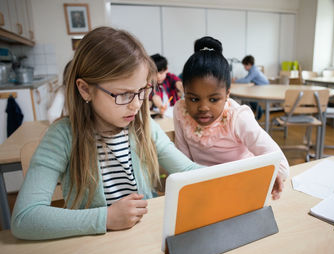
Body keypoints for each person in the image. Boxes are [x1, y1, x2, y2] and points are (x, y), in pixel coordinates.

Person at [11, 27, 200, 240]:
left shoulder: (144, 126)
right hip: (94, 247)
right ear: (85, 90)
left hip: (145, 238)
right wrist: (106, 217)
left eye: (141, 91)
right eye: (123, 95)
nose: (136, 105)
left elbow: (189, 171)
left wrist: (234, 177)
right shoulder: (62, 136)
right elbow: (24, 218)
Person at [173, 36, 289, 200]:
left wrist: (267, 173)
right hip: (204, 190)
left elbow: (282, 166)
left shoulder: (237, 117)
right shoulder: (180, 110)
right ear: (184, 92)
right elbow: (182, 161)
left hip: (241, 188)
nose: (203, 108)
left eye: (214, 99)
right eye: (193, 99)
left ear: (227, 94)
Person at [232, 55, 269, 120]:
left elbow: (246, 80)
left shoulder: (253, 70)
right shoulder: (252, 69)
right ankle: (256, 113)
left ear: (249, 64)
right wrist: (238, 80)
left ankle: (259, 113)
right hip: (260, 86)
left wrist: (235, 81)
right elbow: (246, 78)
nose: (244, 67)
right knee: (248, 97)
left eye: (245, 66)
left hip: (263, 87)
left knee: (250, 99)